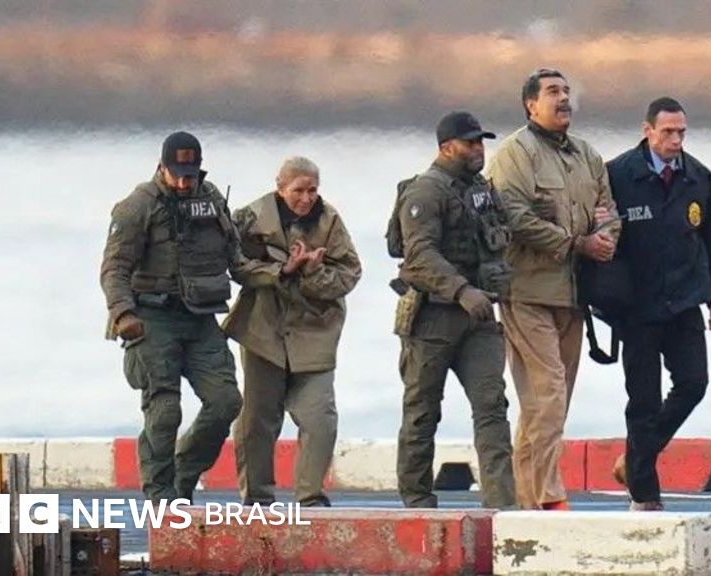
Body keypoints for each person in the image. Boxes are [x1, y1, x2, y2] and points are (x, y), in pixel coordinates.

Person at [487, 68, 620, 510]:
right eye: (552, 92)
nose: (563, 98)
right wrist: (577, 243)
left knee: (550, 403)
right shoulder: (515, 153)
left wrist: (605, 239)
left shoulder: (587, 155)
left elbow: (608, 212)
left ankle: (526, 499)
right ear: (531, 105)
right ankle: (548, 497)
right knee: (548, 395)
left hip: (573, 295)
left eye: (566, 91)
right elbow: (515, 216)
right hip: (527, 292)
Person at [100, 131, 244, 502]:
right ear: (162, 167)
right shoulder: (138, 206)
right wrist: (123, 313)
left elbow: (235, 255)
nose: (184, 183)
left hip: (200, 317)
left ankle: (184, 473)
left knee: (226, 401)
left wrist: (277, 272)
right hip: (152, 318)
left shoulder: (210, 200)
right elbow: (114, 268)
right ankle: (161, 497)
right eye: (177, 174)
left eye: (190, 175)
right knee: (164, 412)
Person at [606, 97, 711, 511]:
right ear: (648, 131)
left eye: (681, 132)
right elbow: (602, 241)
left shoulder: (699, 178)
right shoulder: (617, 176)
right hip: (637, 308)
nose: (676, 140)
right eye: (667, 132)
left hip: (684, 301)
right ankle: (645, 496)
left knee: (694, 384)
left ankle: (635, 460)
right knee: (643, 401)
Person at [391, 111, 516, 509]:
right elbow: (419, 255)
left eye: (481, 142)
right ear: (446, 147)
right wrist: (462, 291)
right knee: (422, 411)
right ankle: (417, 501)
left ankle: (500, 506)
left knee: (492, 407)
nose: (479, 149)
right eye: (470, 143)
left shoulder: (481, 190)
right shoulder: (426, 192)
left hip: (479, 319)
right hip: (433, 318)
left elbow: (502, 235)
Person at [222, 156, 362, 507]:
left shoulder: (329, 221)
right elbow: (234, 265)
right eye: (298, 190)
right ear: (280, 187)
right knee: (256, 420)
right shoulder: (251, 218)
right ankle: (257, 498)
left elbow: (349, 274)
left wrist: (312, 272)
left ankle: (310, 498)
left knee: (320, 419)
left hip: (314, 333)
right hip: (264, 332)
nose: (306, 198)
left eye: (313, 190)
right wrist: (281, 270)